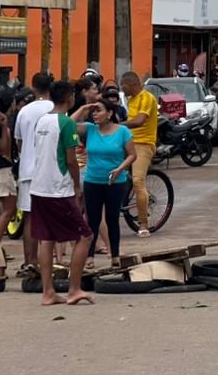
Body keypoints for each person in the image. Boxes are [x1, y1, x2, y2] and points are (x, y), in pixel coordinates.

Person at [28, 80, 95, 306]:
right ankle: (74, 288)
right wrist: (77, 186)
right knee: (85, 236)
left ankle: (48, 292)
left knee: (46, 239)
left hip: (38, 187)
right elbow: (70, 159)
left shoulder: (42, 120)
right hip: (58, 189)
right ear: (70, 98)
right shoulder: (65, 123)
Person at [82, 98, 136, 263]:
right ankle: (89, 256)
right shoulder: (90, 129)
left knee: (112, 218)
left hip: (115, 182)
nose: (95, 114)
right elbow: (67, 124)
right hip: (92, 181)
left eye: (99, 110)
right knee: (93, 219)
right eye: (94, 111)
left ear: (110, 113)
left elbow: (133, 154)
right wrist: (85, 107)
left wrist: (120, 169)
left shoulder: (122, 131)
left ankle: (115, 255)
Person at [13, 72, 55, 276]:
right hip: (51, 170)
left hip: (28, 169)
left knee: (29, 216)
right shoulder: (56, 108)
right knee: (49, 217)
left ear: (33, 87)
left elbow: (19, 142)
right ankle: (48, 263)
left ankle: (29, 261)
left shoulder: (24, 111)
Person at [121, 72, 159, 238]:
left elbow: (139, 121)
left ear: (131, 84)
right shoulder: (130, 100)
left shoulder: (147, 98)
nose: (122, 89)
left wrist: (116, 125)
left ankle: (143, 223)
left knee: (138, 181)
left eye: (123, 85)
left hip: (144, 144)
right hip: (129, 142)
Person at [0, 88, 18, 245]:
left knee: (0, 210)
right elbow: (5, 150)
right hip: (1, 169)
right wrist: (5, 128)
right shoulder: (1, 124)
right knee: (9, 209)